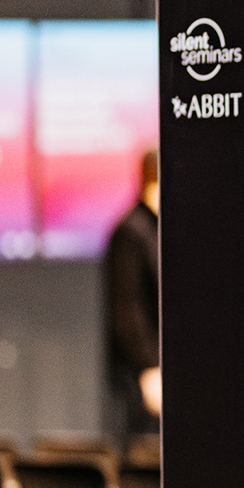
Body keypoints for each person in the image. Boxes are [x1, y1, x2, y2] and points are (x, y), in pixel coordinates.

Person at [106, 148, 159, 440]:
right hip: (141, 372)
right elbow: (128, 307)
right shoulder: (132, 231)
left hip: (158, 366)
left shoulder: (158, 228)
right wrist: (149, 366)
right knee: (143, 446)